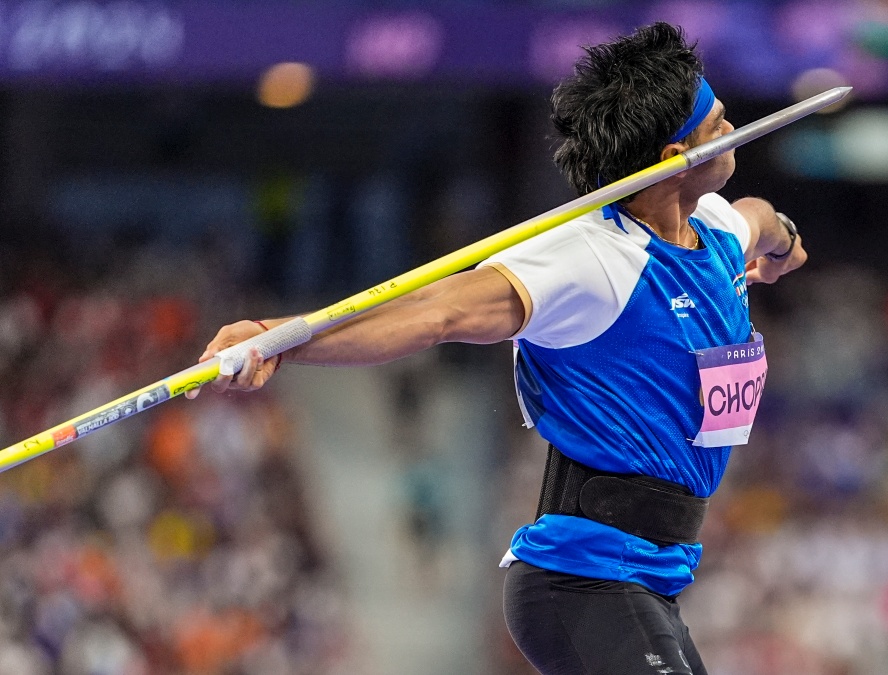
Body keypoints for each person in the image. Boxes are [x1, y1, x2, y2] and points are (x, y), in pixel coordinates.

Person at [191, 22, 807, 675]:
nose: (734, 126)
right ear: (672, 157)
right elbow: (438, 311)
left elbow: (759, 217)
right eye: (718, 124)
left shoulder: (713, 231)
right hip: (581, 581)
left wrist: (783, 242)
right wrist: (286, 338)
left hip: (653, 578)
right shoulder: (594, 260)